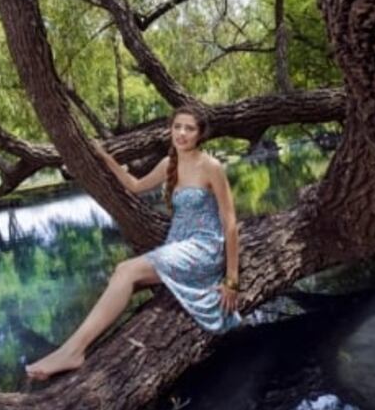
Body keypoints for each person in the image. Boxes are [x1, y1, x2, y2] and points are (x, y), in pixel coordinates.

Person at [25, 105, 241, 380]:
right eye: (177, 127)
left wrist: (232, 280)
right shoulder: (168, 164)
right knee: (123, 276)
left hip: (204, 249)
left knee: (126, 270)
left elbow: (230, 222)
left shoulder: (210, 166)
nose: (182, 133)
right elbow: (135, 185)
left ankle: (73, 351)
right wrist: (104, 157)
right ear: (170, 129)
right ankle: (74, 349)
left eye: (189, 128)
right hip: (178, 245)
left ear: (200, 134)